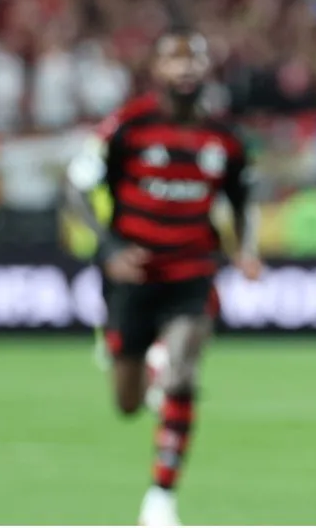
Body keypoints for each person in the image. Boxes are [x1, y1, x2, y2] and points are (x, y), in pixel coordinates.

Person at [65, 28, 262, 526]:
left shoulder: (225, 137)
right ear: (157, 70)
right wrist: (108, 247)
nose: (186, 68)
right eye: (175, 59)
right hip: (132, 277)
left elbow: (243, 201)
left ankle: (160, 498)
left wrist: (245, 250)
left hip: (192, 272)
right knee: (128, 405)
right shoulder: (127, 126)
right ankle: (136, 355)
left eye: (194, 58)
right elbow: (75, 189)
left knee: (183, 375)